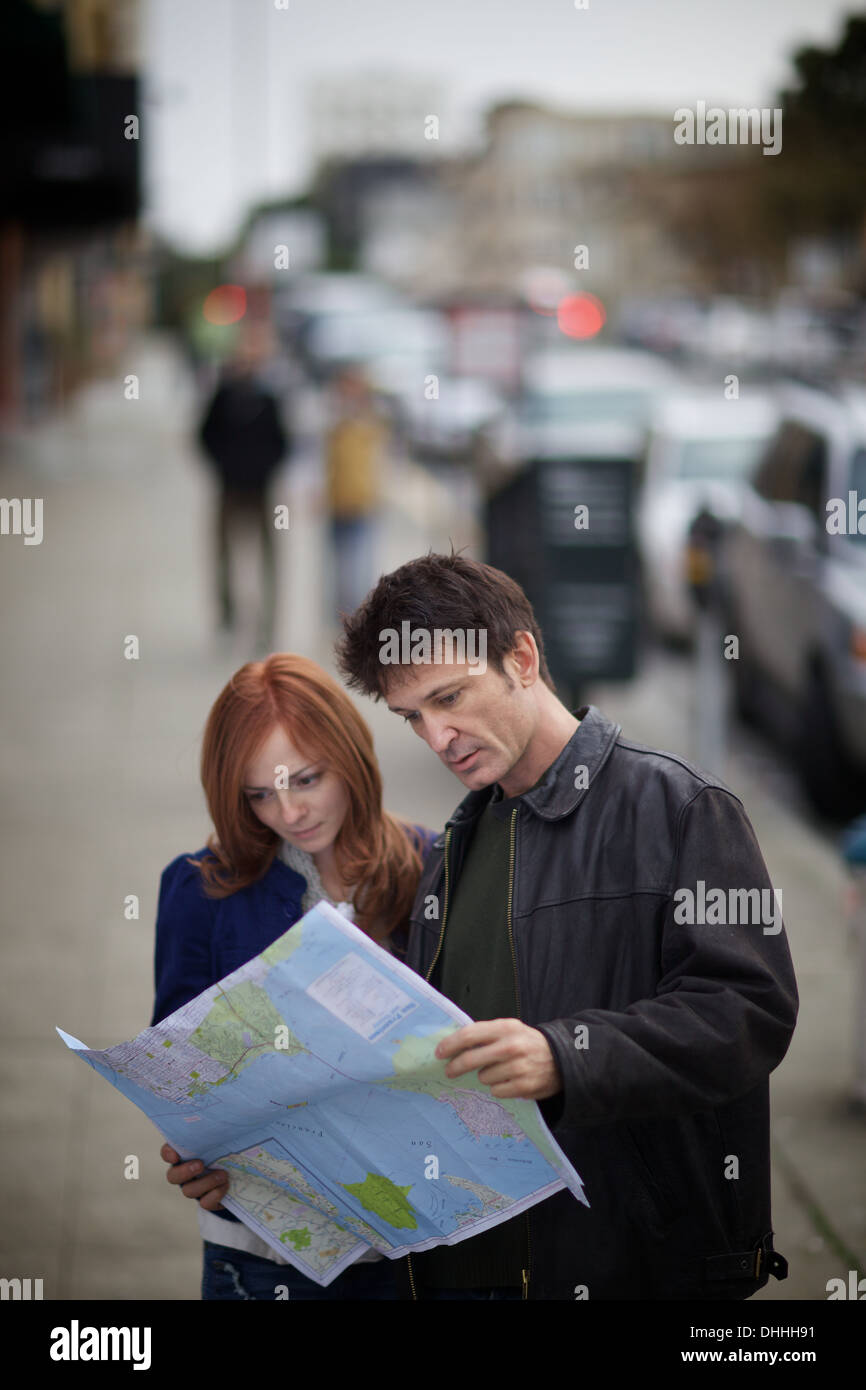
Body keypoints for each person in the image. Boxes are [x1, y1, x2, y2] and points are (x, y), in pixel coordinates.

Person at [334, 550, 800, 1300]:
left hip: (633, 1267)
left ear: (522, 657)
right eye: (414, 716)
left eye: (451, 696)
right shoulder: (455, 846)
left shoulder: (679, 808)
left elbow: (747, 1011)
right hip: (468, 1270)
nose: (438, 736)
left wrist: (568, 1057)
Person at [152, 652, 437, 1300]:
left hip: (407, 1254)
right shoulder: (200, 891)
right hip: (258, 1259)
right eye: (259, 793)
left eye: (306, 779)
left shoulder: (428, 866)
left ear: (353, 758)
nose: (288, 812)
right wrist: (194, 1152)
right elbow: (174, 1070)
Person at [197, 334, 290, 651]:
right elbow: (204, 436)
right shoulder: (223, 396)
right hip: (229, 487)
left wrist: (265, 467)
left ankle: (266, 623)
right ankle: (228, 615)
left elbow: (283, 442)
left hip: (262, 490)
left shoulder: (269, 398)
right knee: (224, 553)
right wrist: (225, 465)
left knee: (269, 558)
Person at [324, 365, 386, 619]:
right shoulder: (333, 425)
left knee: (359, 569)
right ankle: (340, 617)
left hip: (363, 506)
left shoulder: (371, 425)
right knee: (338, 570)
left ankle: (358, 618)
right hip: (337, 505)